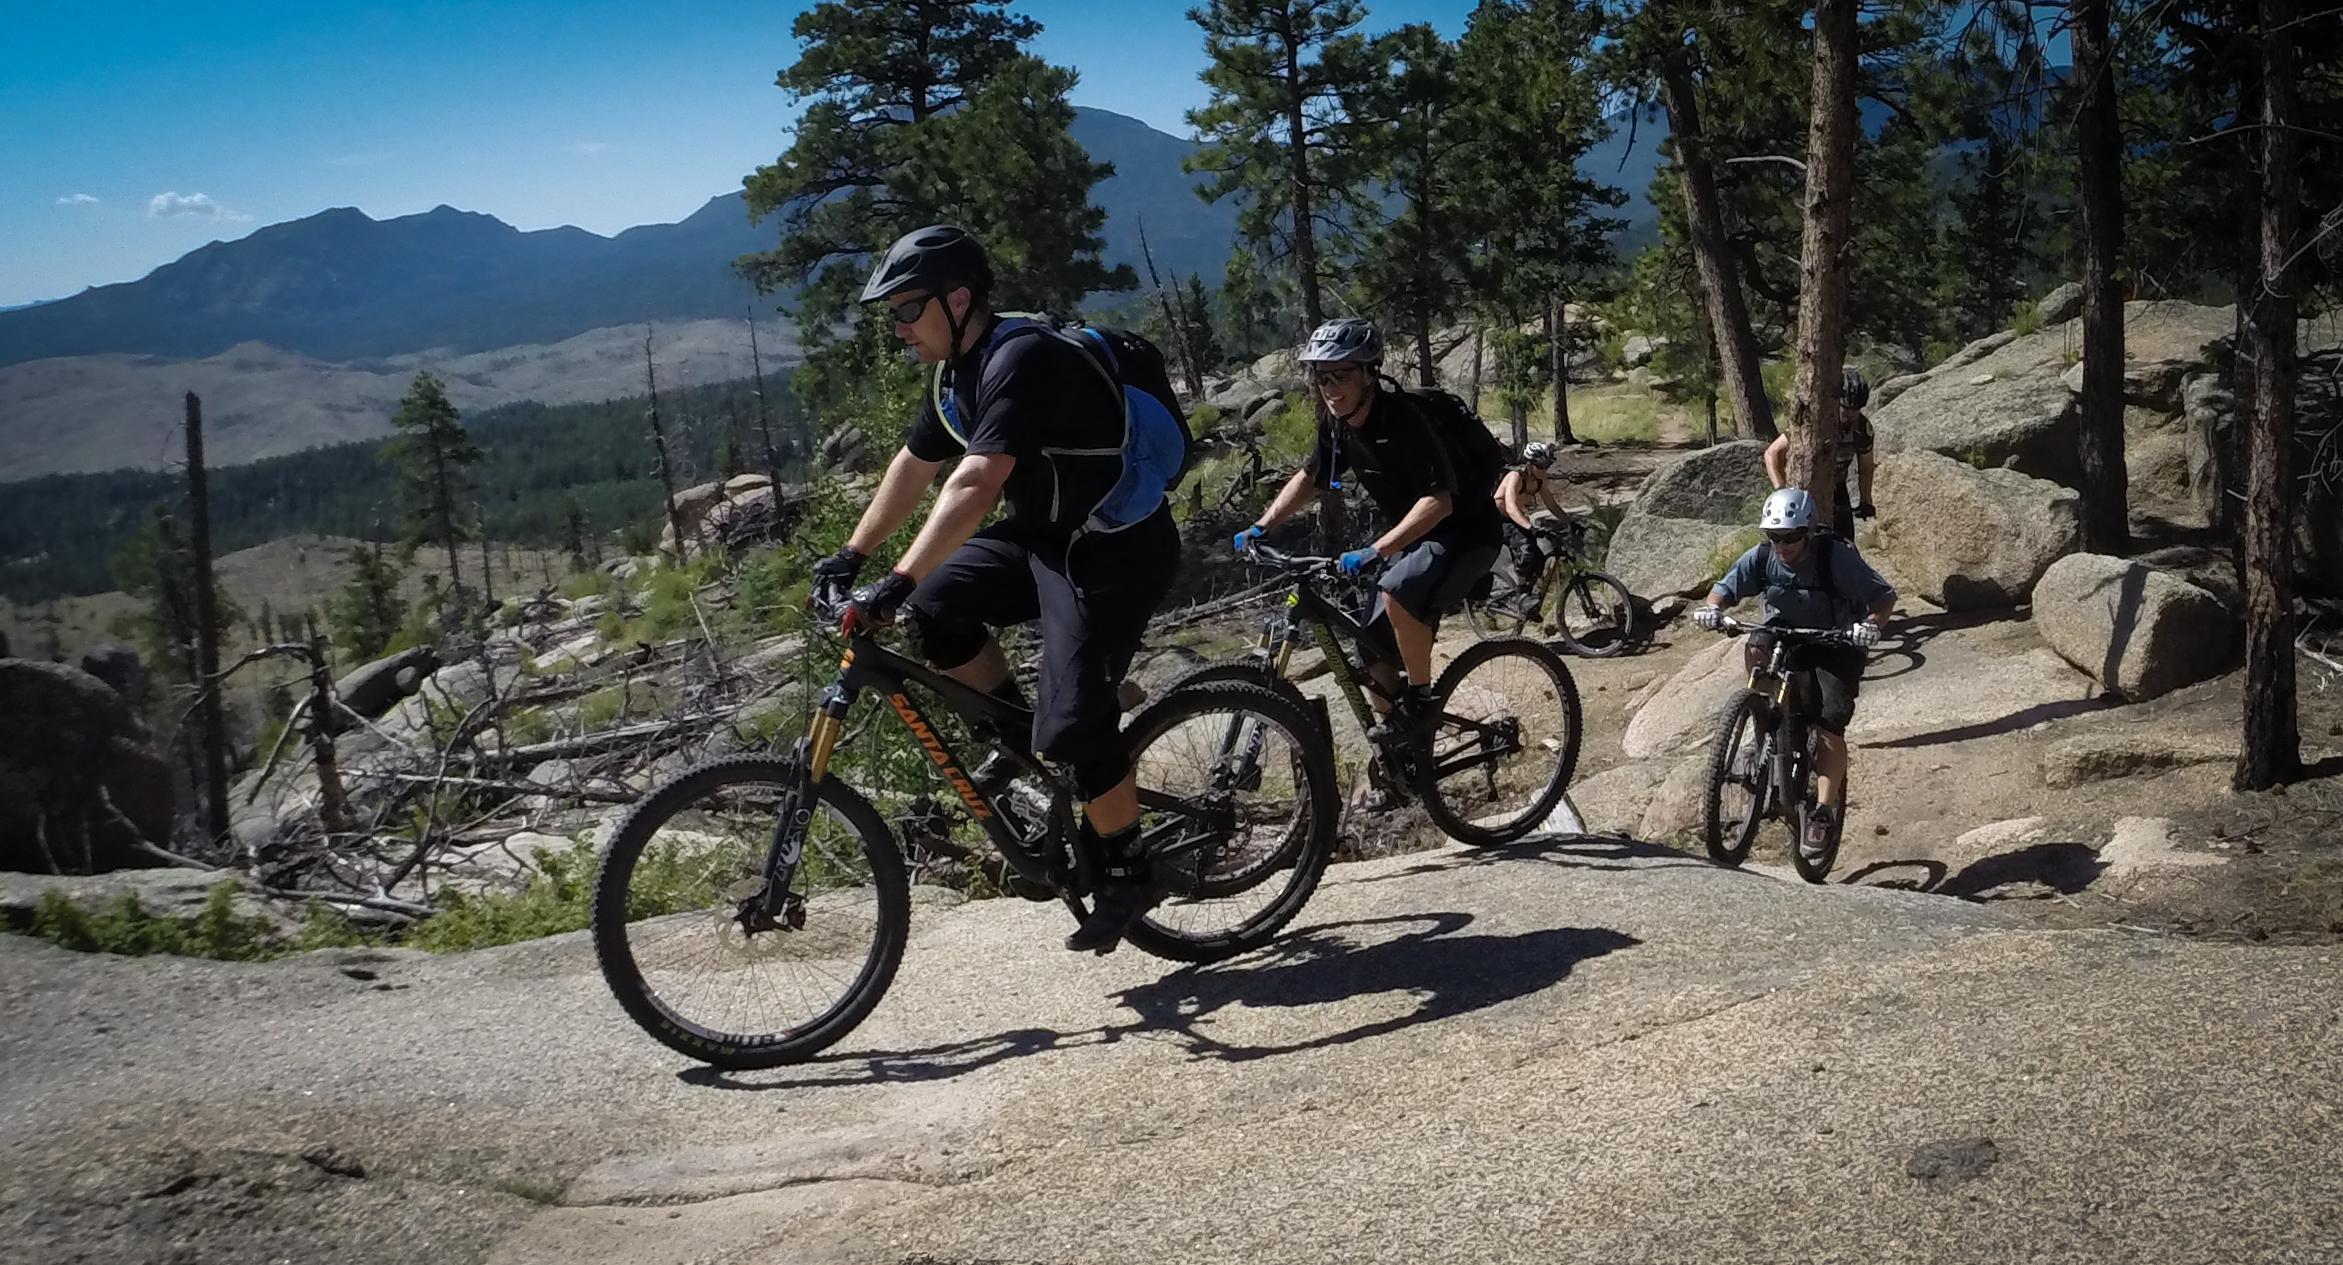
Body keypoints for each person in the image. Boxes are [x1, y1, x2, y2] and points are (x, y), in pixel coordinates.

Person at [808, 225, 1181, 955]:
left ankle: (1131, 869)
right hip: (1045, 537)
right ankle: (1023, 746)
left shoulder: (1019, 357)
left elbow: (975, 482)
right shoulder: (956, 372)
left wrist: (894, 578)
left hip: (1112, 548)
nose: (898, 327)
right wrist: (850, 554)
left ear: (956, 298)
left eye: (907, 309)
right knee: (937, 607)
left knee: (1074, 724)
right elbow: (913, 467)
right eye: (891, 314)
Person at [1233, 317, 1503, 745]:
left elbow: (1440, 501)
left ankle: (1421, 700)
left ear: (1369, 373)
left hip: (1466, 531)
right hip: (1418, 536)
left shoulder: (1406, 420)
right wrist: (1262, 525)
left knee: (1396, 589)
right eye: (1322, 377)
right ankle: (1404, 756)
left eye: (1342, 374)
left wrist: (1376, 550)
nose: (1330, 386)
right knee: (1371, 644)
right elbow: (1311, 476)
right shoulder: (1338, 424)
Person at [1693, 488, 1896, 859]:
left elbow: (1883, 598)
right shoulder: (1763, 557)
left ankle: (1822, 810)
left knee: (1829, 723)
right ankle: (1765, 720)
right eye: (1774, 537)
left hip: (1836, 640)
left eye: (1790, 537)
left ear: (1807, 531)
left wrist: (1872, 624)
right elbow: (1725, 588)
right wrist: (1713, 608)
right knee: (1756, 646)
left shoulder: (1835, 558)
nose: (1782, 545)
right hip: (1786, 634)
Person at [1763, 368, 1876, 541]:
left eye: (1856, 409)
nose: (1851, 415)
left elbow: (1866, 467)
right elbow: (1771, 453)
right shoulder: (1814, 423)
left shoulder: (1862, 429)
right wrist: (1780, 490)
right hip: (1805, 487)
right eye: (1846, 409)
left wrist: (1866, 501)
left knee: (1845, 544)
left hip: (1837, 488)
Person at [1493, 441, 1585, 615]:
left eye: (1547, 465)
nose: (1544, 469)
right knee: (1525, 547)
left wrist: (1570, 522)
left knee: (1540, 555)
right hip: (1498, 518)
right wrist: (1530, 527)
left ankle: (1530, 601)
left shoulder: (1540, 480)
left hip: (1515, 517)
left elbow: (1551, 505)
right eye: (1541, 465)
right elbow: (1510, 507)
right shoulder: (1515, 476)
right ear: (1530, 464)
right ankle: (1522, 597)